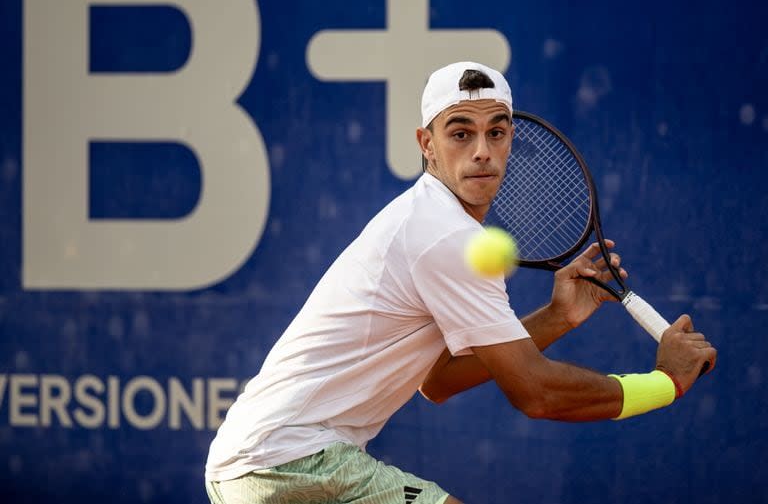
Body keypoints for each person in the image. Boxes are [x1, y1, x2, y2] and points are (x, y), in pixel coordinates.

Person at [204, 61, 716, 504]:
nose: (482, 151)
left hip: (255, 462)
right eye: (460, 132)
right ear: (427, 144)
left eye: (497, 132)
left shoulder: (434, 222)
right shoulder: (445, 237)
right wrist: (663, 385)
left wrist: (558, 317)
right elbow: (536, 394)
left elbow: (439, 380)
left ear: (511, 139)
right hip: (288, 460)